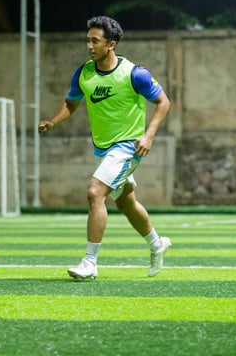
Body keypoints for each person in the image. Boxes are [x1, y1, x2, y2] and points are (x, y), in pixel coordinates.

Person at [38, 15, 172, 279]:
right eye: (88, 40)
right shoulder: (84, 73)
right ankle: (157, 244)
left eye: (95, 41)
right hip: (102, 150)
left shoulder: (135, 74)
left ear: (111, 44)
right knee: (126, 203)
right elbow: (71, 102)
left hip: (128, 147)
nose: (89, 46)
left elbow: (163, 102)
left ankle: (90, 262)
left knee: (94, 191)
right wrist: (53, 121)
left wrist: (149, 136)